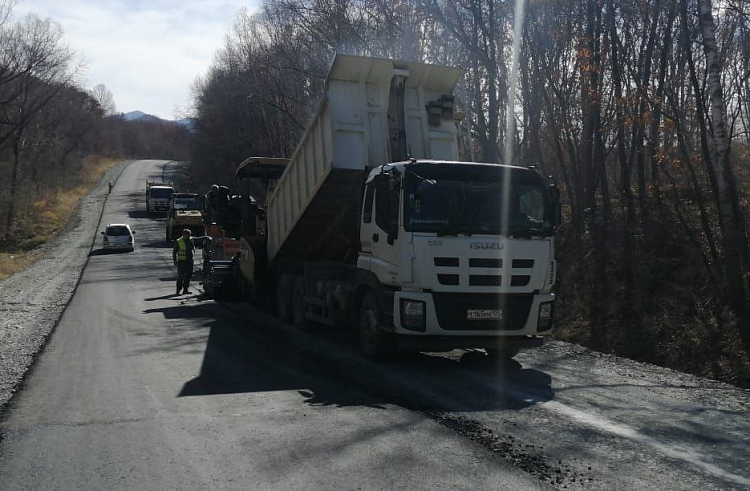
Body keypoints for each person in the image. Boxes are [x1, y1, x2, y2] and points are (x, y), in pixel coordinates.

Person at [173, 228, 196, 295]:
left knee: (188, 276)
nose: (189, 236)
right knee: (180, 276)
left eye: (189, 235)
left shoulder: (191, 240)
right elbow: (174, 251)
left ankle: (185, 290)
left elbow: (199, 240)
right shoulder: (178, 241)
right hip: (182, 262)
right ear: (184, 235)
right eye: (187, 235)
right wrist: (175, 260)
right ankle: (178, 291)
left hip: (190, 261)